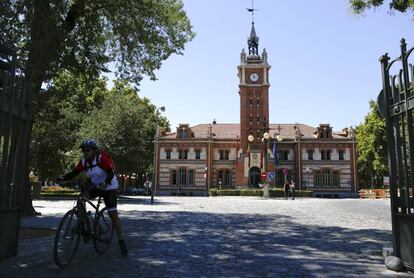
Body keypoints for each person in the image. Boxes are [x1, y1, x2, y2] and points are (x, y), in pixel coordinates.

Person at [56, 139, 127, 256]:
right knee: (81, 199)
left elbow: (110, 173)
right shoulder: (84, 162)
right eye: (83, 150)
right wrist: (62, 178)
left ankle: (121, 240)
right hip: (96, 187)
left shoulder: (102, 158)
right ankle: (82, 225)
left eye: (87, 150)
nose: (85, 152)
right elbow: (74, 173)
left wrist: (106, 182)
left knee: (113, 215)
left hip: (109, 187)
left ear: (94, 151)